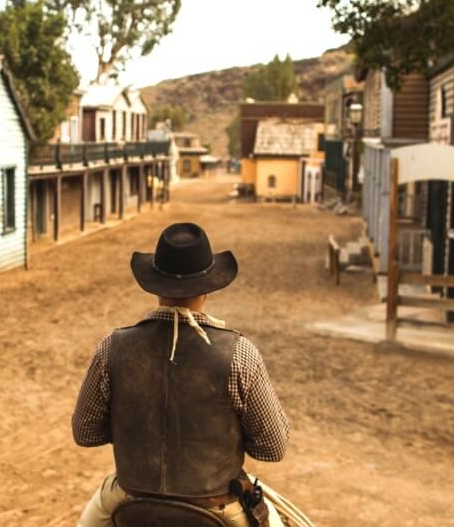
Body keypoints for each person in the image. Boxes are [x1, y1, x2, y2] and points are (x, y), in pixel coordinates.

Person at [72, 222, 290, 526]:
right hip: (217, 507)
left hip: (131, 496)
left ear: (155, 285)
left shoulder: (112, 348)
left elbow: (85, 433)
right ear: (208, 287)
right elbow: (273, 447)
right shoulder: (240, 353)